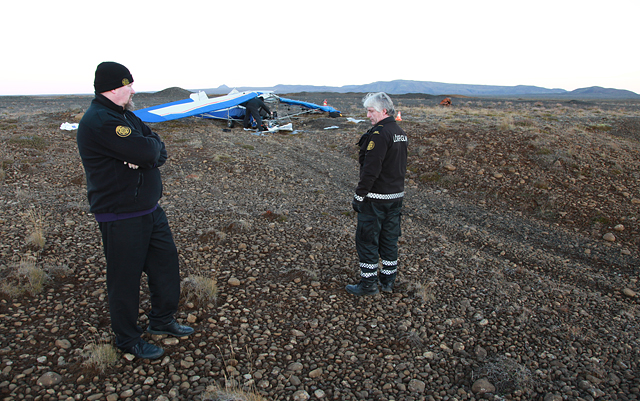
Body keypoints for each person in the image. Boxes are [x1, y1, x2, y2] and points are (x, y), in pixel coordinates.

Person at [77, 62, 193, 360]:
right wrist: (144, 153)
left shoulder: (125, 115)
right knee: (125, 279)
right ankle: (127, 339)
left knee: (165, 266)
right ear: (115, 88)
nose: (133, 90)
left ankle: (161, 320)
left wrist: (145, 154)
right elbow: (146, 151)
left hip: (149, 210)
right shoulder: (101, 120)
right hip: (120, 215)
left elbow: (157, 149)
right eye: (129, 85)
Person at [347, 92, 408, 296]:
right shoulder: (399, 131)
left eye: (371, 110)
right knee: (389, 240)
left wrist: (359, 196)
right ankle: (388, 280)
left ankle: (368, 284)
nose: (368, 115)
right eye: (367, 110)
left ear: (384, 111)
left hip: (376, 200)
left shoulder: (380, 134)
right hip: (395, 198)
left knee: (367, 239)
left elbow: (370, 170)